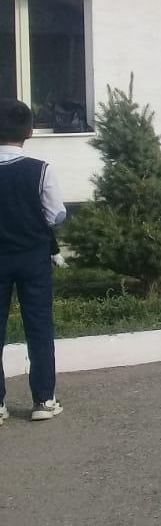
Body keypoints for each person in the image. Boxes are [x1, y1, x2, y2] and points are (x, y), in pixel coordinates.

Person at [0, 98, 67, 424]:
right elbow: (55, 215)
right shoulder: (41, 169)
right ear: (29, 131)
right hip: (33, 257)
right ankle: (43, 399)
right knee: (39, 326)